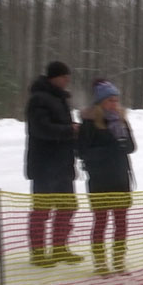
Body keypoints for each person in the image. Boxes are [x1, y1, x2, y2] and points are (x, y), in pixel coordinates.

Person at [24, 61, 83, 267]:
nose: (67, 81)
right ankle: (38, 252)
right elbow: (41, 129)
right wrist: (70, 131)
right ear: (53, 77)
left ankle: (59, 248)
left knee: (67, 207)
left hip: (63, 164)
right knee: (42, 210)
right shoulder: (39, 99)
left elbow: (61, 128)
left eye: (68, 77)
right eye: (64, 77)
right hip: (44, 165)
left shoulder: (60, 100)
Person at [78, 79, 137, 275]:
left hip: (121, 177)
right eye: (110, 100)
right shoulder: (89, 122)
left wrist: (122, 145)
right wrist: (110, 150)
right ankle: (100, 262)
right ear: (101, 102)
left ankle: (119, 260)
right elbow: (82, 151)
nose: (114, 104)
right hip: (100, 180)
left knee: (121, 222)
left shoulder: (121, 120)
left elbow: (131, 146)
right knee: (101, 222)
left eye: (116, 100)